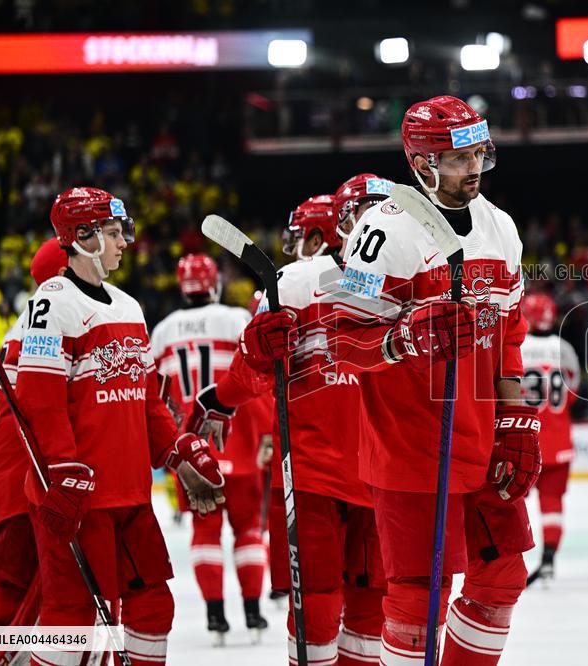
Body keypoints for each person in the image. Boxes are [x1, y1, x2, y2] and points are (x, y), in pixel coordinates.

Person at [324, 95, 538, 665]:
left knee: (503, 578)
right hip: (410, 446)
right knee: (421, 601)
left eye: (479, 154)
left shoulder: (501, 227)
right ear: (422, 164)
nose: (474, 167)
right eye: (459, 157)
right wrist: (402, 338)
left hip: (480, 438)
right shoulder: (383, 229)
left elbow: (510, 337)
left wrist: (517, 421)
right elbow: (343, 340)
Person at [15, 187, 225, 666]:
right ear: (82, 236)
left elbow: (146, 400)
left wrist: (176, 453)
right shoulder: (53, 302)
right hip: (78, 494)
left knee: (153, 607)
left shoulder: (129, 307)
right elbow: (39, 400)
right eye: (113, 233)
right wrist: (63, 471)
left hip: (130, 494)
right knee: (73, 620)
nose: (124, 242)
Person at [188, 178, 393, 666]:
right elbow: (255, 371)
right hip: (339, 473)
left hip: (366, 473)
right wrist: (242, 373)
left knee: (357, 609)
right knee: (339, 607)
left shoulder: (395, 280)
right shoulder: (303, 282)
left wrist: (226, 391)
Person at [150, 253, 274, 644]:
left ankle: (215, 615)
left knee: (205, 532)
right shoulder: (235, 318)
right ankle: (253, 611)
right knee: (249, 529)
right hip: (238, 440)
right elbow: (258, 378)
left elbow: (155, 398)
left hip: (192, 450)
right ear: (213, 283)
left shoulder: (164, 331)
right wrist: (269, 432)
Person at [0, 238, 67, 631]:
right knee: (12, 615)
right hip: (16, 488)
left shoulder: (19, 329)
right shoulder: (54, 323)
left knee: (30, 617)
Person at [518, 292, 580, 585]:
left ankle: (510, 558)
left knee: (513, 499)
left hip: (523, 436)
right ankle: (550, 559)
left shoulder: (516, 345)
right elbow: (575, 385)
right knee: (552, 502)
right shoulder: (563, 348)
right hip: (559, 438)